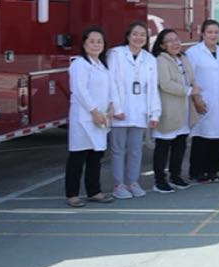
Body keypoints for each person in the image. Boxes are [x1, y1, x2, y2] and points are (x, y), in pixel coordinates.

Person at [108, 22, 160, 199]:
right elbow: (111, 82)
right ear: (128, 36)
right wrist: (117, 108)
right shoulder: (116, 54)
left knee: (136, 150)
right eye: (135, 34)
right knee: (117, 150)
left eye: (143, 35)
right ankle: (118, 185)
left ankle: (132, 182)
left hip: (140, 111)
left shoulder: (149, 59)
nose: (139, 38)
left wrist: (154, 113)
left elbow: (152, 87)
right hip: (120, 111)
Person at [65, 26, 114, 207]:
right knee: (78, 157)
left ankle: (94, 191)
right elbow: (80, 90)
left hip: (100, 118)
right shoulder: (79, 64)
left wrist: (111, 107)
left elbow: (109, 89)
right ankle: (72, 194)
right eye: (91, 41)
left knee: (96, 156)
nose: (96, 44)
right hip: (84, 118)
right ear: (84, 44)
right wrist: (94, 111)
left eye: (99, 41)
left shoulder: (102, 65)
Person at [187, 19, 219, 184]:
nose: (213, 35)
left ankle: (214, 169)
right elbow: (190, 78)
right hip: (203, 100)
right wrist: (196, 98)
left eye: (216, 32)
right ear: (203, 34)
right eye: (209, 32)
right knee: (202, 136)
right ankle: (197, 171)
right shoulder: (193, 53)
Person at [152, 28, 199, 193]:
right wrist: (188, 90)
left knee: (180, 144)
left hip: (184, 110)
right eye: (170, 41)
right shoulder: (160, 60)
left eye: (176, 39)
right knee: (163, 146)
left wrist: (193, 89)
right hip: (168, 110)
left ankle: (175, 175)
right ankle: (159, 180)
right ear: (162, 45)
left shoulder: (183, 58)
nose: (175, 43)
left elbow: (191, 79)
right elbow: (165, 84)